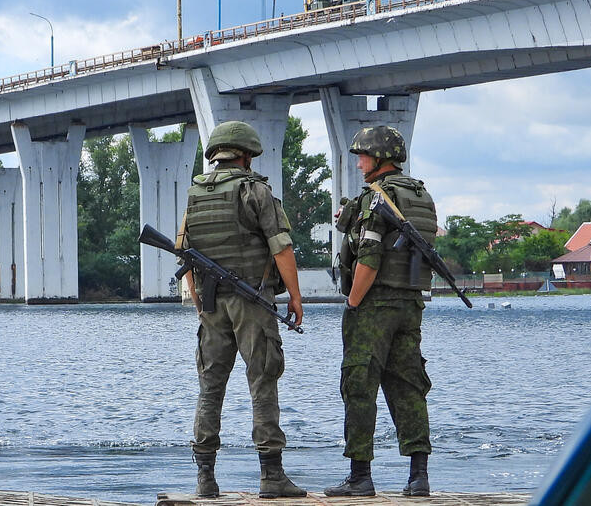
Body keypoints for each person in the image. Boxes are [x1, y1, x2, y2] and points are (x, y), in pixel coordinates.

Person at [180, 120, 306, 499]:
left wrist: (200, 305)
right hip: (252, 301)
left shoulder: (195, 194)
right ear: (246, 156)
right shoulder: (255, 190)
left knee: (210, 387)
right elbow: (281, 247)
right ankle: (272, 476)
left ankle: (205, 479)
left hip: (212, 303)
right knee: (263, 381)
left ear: (216, 155)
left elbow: (185, 256)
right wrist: (295, 297)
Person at [324, 125, 437, 498]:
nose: (359, 164)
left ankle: (360, 477)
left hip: (375, 304)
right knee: (409, 386)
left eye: (362, 156)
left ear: (379, 158)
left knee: (359, 385)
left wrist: (353, 302)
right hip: (410, 302)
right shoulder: (419, 195)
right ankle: (419, 477)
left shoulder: (377, 198)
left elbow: (369, 259)